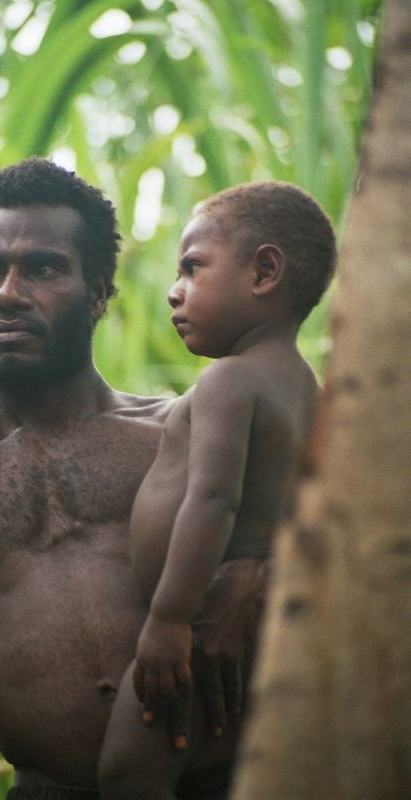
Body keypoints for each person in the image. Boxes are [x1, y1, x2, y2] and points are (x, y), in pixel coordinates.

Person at [0, 158, 267, 800]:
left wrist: (257, 573)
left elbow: (357, 542)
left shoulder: (189, 436)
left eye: (43, 268)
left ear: (98, 290)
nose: (6, 294)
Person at [97, 182, 337, 799]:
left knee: (129, 773)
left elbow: (213, 500)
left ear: (264, 272)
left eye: (192, 267)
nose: (174, 291)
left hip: (201, 620)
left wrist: (168, 620)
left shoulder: (229, 381)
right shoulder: (301, 383)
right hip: (255, 625)